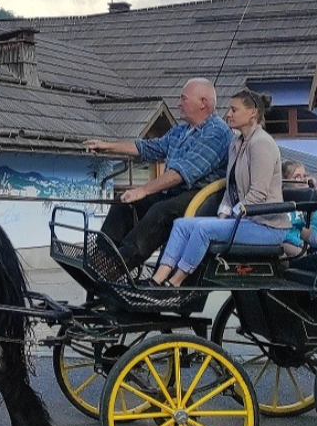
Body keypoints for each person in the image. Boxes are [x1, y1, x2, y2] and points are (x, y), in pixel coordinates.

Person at [145, 89, 289, 287]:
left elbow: (258, 193)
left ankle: (176, 283)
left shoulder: (262, 143)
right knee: (181, 225)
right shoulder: (236, 144)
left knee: (203, 229)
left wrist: (231, 216)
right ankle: (157, 280)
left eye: (234, 110)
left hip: (265, 226)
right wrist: (223, 212)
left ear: (252, 113)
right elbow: (231, 187)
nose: (228, 114)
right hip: (244, 220)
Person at [84, 78, 231, 268]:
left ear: (203, 103)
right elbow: (149, 148)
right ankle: (101, 257)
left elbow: (181, 173)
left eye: (183, 98)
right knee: (125, 202)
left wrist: (143, 190)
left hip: (202, 198)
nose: (178, 103)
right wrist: (107, 146)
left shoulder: (217, 132)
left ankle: (119, 264)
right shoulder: (181, 131)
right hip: (176, 193)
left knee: (160, 211)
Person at [280, 160, 310, 258]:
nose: (302, 181)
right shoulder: (281, 202)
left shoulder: (307, 202)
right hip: (284, 240)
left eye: (304, 176)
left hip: (300, 240)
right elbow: (282, 232)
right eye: (297, 177)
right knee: (301, 254)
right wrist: (298, 242)